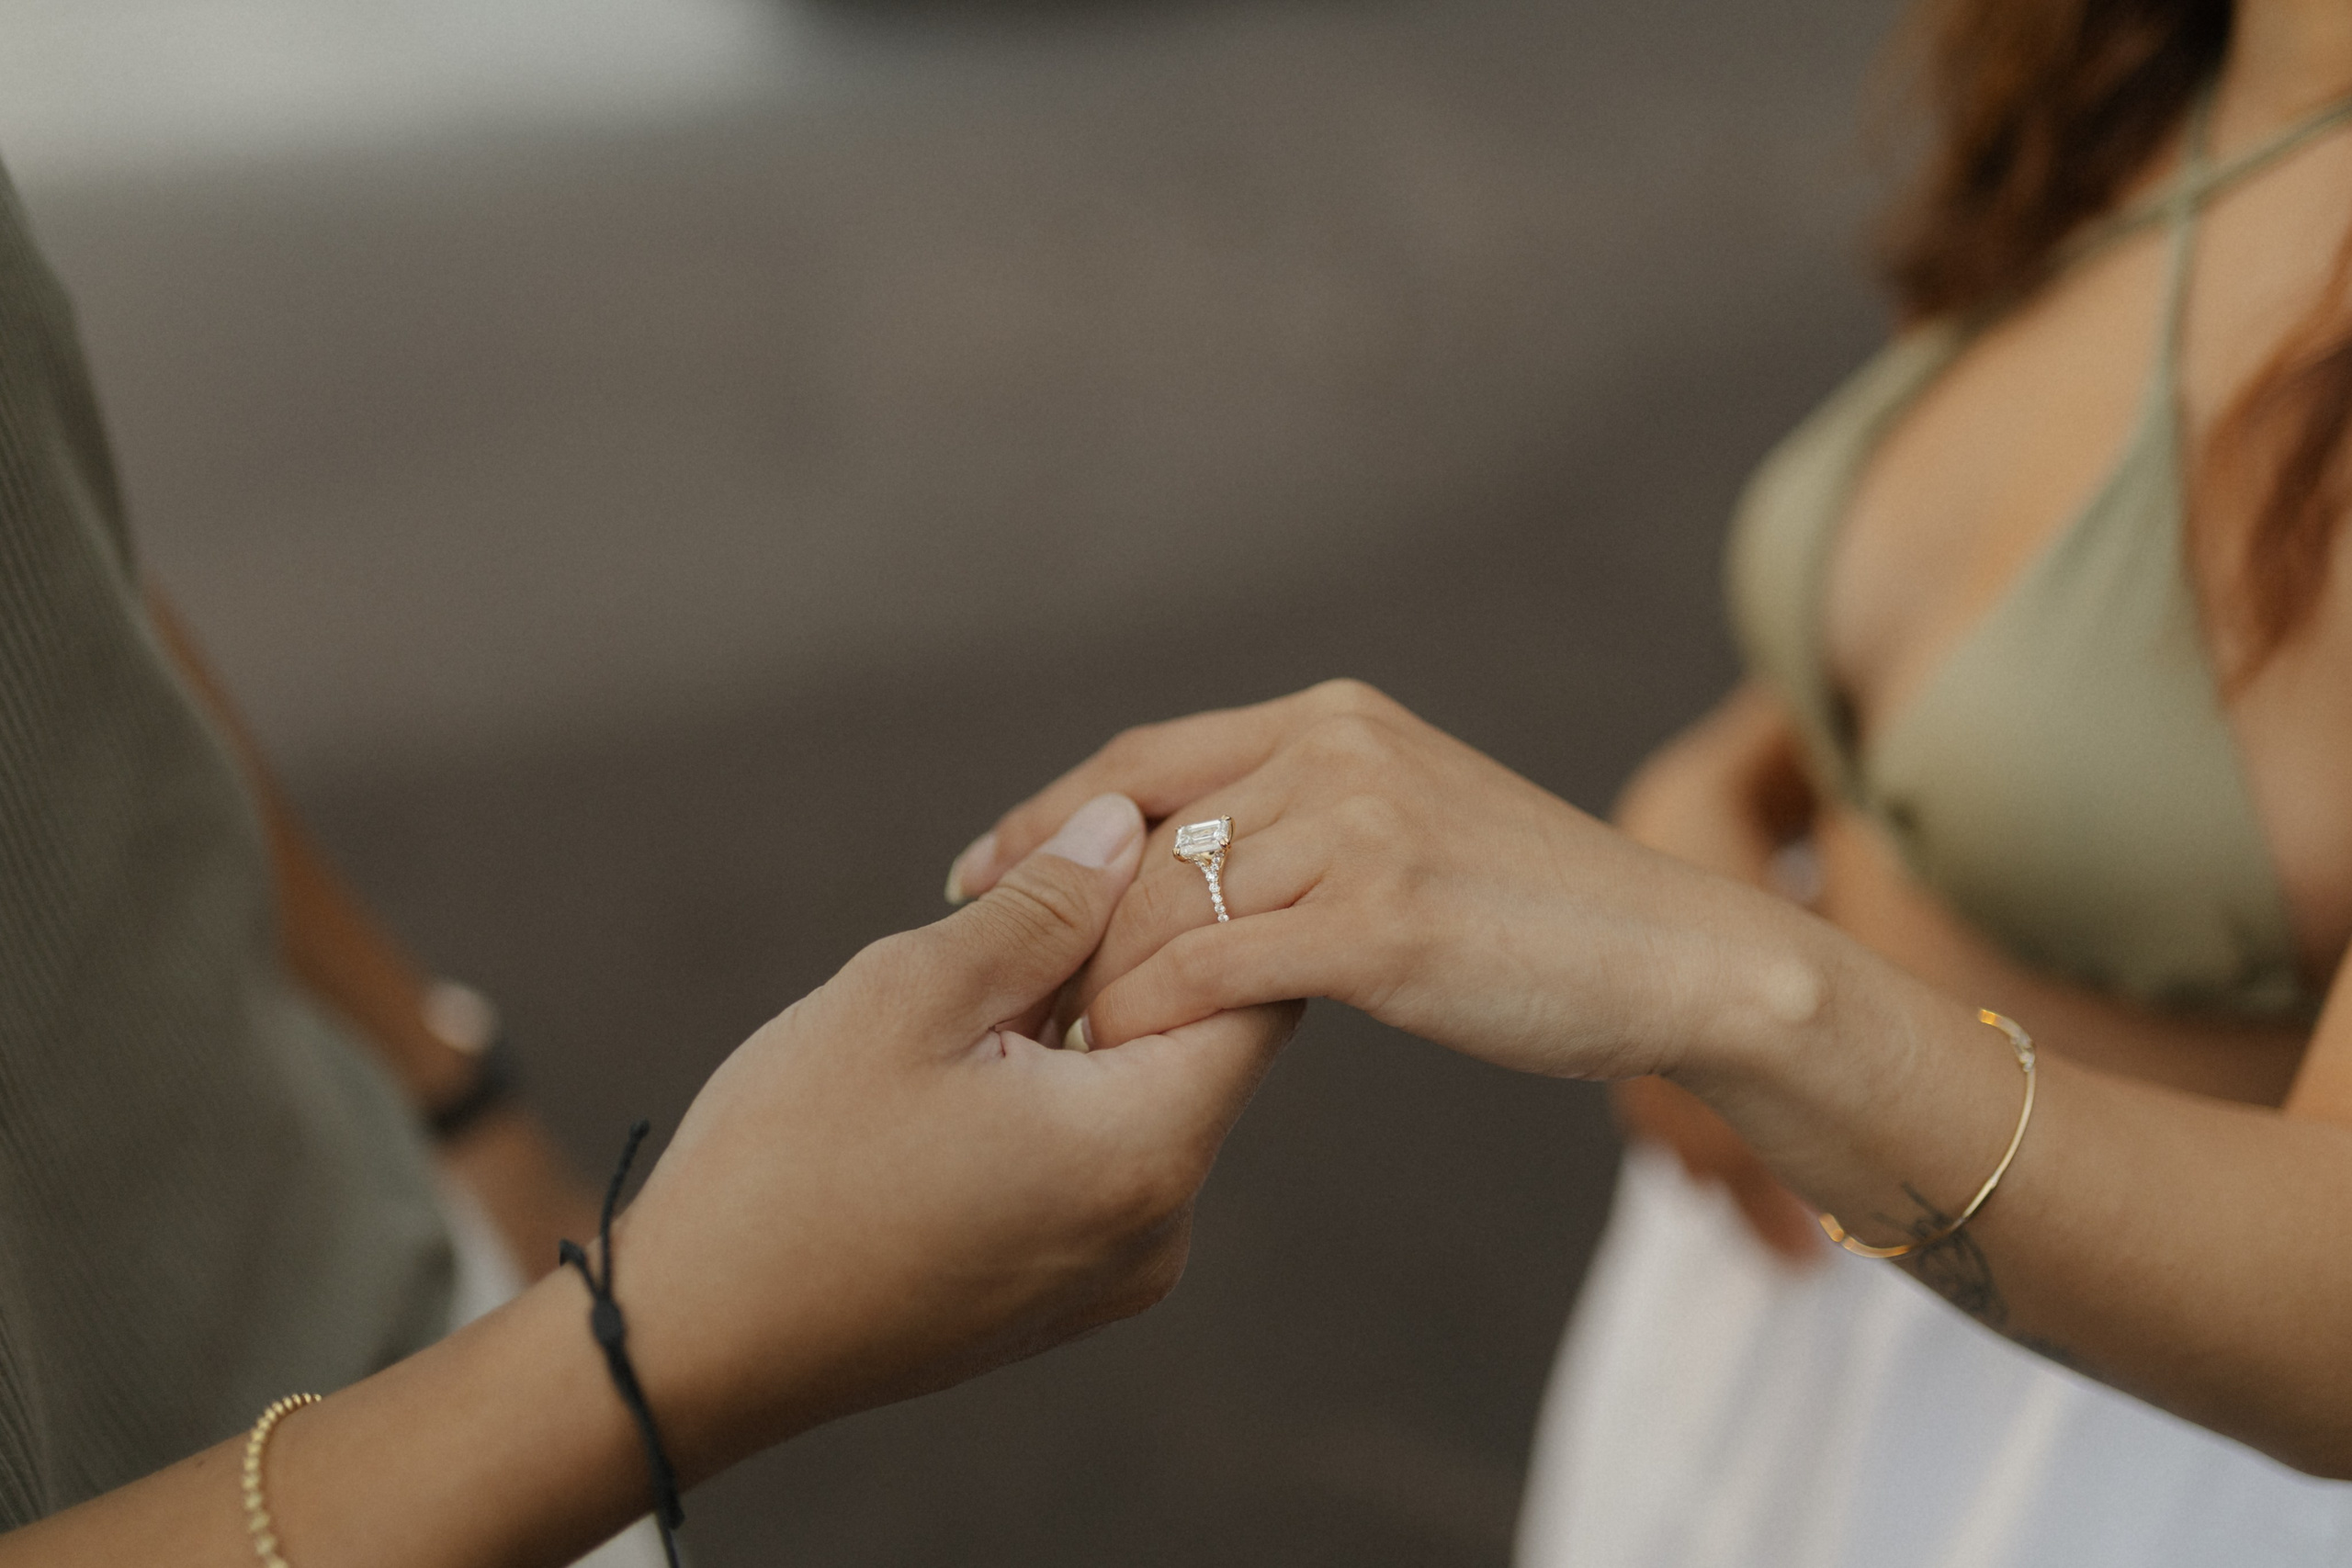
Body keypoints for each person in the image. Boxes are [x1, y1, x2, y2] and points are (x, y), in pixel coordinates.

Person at [947, 1, 2352, 1561]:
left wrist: (1736, 994)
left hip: (2126, 1450)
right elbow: (1986, 668)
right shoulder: (2146, 65)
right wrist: (1713, 794)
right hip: (1765, 1325)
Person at [0, 148, 1298, 1562]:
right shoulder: (624, 1347)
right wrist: (684, 1327)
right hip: (520, 1416)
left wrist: (448, 1087)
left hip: (420, 1309)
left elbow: (59, 603)